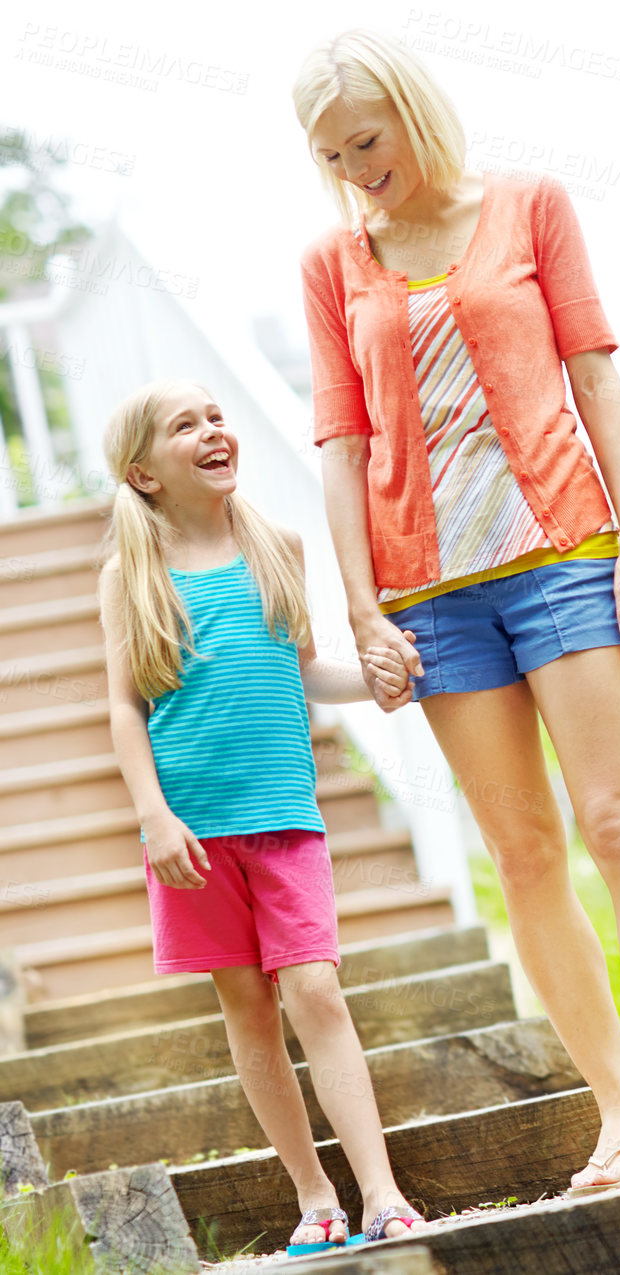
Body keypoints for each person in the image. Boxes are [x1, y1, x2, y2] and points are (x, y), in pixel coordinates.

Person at [291, 27, 620, 1193]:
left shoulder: (529, 203)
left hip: (565, 556)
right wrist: (364, 611)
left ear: (414, 115)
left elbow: (593, 375)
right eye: (330, 152)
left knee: (618, 822)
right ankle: (617, 1115)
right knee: (524, 856)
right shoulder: (335, 265)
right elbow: (341, 444)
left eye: (366, 140)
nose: (353, 168)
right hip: (433, 596)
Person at [98, 377, 431, 1252]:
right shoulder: (130, 576)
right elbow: (126, 709)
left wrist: (377, 683)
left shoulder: (277, 545)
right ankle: (314, 1195)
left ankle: (381, 1191)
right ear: (144, 474)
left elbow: (308, 668)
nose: (214, 431)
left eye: (216, 417)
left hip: (283, 814)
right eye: (186, 426)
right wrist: (154, 818)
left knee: (315, 987)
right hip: (192, 835)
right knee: (246, 1006)